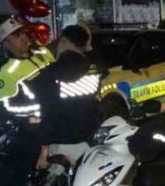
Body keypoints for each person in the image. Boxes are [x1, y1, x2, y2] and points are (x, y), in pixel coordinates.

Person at [0, 17, 54, 186]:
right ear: (6, 43)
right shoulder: (6, 73)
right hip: (34, 127)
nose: (23, 38)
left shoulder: (44, 52)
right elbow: (10, 107)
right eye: (16, 36)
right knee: (13, 164)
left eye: (23, 33)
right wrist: (41, 109)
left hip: (62, 119)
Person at [28, 24, 109, 171]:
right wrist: (89, 46)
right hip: (89, 140)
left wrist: (44, 149)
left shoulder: (50, 72)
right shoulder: (93, 68)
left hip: (61, 144)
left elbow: (49, 111)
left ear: (64, 41)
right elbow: (103, 68)